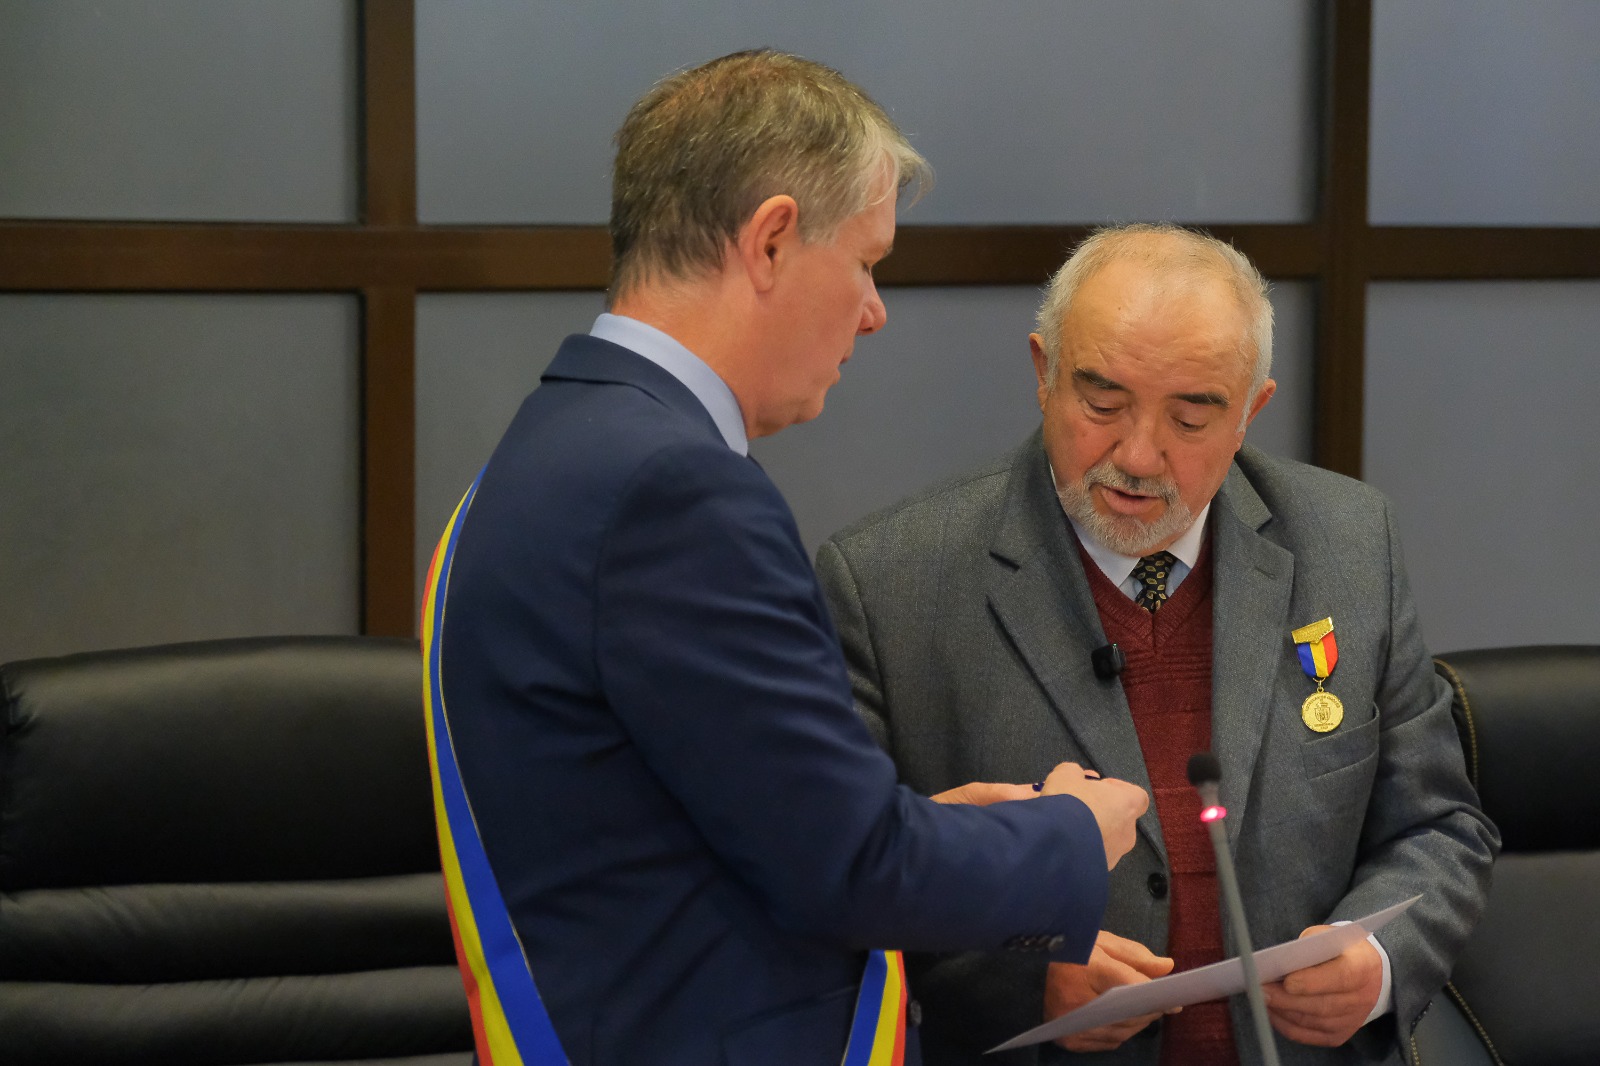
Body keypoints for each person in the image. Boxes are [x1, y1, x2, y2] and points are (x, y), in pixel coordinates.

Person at [423, 51, 1149, 1066]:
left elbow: (715, 828)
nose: (874, 310)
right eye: (865, 262)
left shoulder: (550, 450)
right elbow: (850, 871)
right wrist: (1073, 830)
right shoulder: (672, 491)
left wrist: (912, 824)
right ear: (769, 240)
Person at [815, 224, 1499, 1066]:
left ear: (1249, 411)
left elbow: (1440, 825)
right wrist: (1024, 983)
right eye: (1102, 404)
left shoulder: (1349, 544)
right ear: (1042, 373)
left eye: (1191, 416)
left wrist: (1378, 960)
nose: (1138, 455)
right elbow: (841, 895)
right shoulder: (891, 585)